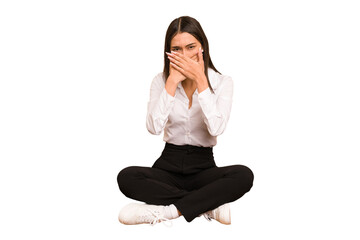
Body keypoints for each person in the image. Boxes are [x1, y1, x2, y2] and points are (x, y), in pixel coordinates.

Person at [117, 16, 254, 225]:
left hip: (204, 167)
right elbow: (153, 128)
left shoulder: (222, 82)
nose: (185, 55)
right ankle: (206, 205)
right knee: (126, 177)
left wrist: (201, 81)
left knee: (244, 175)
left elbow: (217, 127)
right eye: (177, 49)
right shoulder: (160, 81)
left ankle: (168, 212)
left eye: (191, 47)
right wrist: (171, 82)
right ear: (169, 52)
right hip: (168, 165)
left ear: (202, 47)